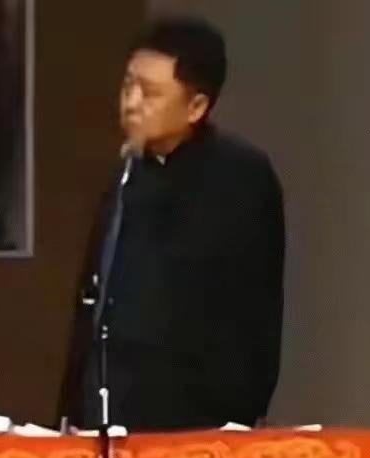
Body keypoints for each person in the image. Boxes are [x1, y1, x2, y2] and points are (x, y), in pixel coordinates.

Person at [57, 17, 285, 431]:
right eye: (128, 86)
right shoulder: (127, 174)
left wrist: (236, 416)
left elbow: (251, 313)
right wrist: (72, 408)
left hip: (193, 420)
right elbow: (92, 304)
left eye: (150, 93)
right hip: (106, 413)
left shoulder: (239, 177)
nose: (131, 103)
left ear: (196, 107)